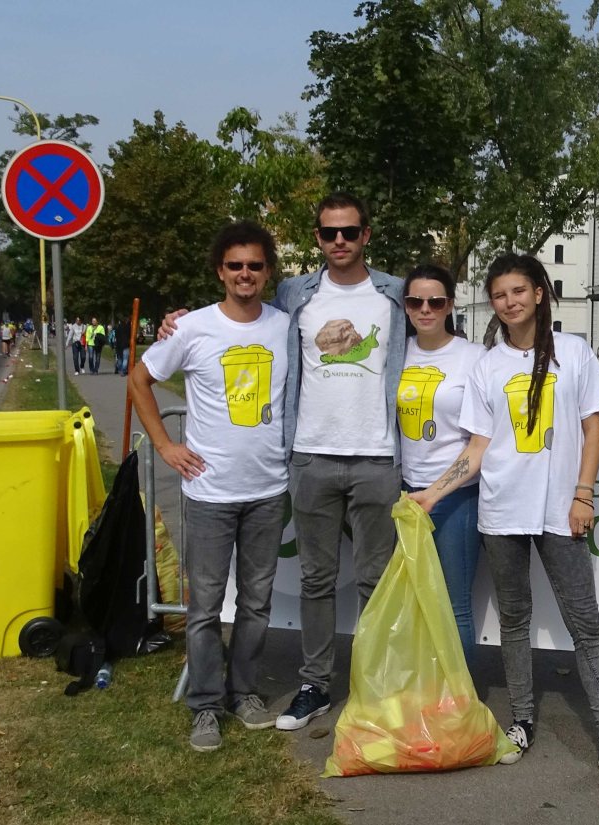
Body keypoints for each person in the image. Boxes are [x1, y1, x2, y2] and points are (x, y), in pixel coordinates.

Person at [409, 253, 599, 784]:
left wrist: (583, 496)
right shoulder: (487, 365)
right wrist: (433, 493)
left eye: (518, 291)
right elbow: (479, 446)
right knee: (514, 620)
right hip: (501, 511)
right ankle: (521, 722)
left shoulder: (573, 353)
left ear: (539, 293)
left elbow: (592, 431)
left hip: (560, 512)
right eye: (500, 294)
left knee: (585, 626)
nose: (509, 302)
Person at [160, 192, 406, 731]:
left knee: (374, 581)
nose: (338, 240)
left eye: (348, 231)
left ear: (366, 235)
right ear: (317, 239)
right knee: (316, 581)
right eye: (327, 232)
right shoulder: (297, 295)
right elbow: (233, 317)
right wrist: (173, 322)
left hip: (378, 458)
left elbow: (433, 333)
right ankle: (315, 685)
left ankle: (375, 687)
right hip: (311, 457)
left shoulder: (397, 295)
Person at [129, 221, 290, 752]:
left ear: (268, 271)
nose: (246, 274)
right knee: (203, 608)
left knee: (257, 602)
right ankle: (204, 705)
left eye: (255, 265)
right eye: (235, 265)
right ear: (220, 271)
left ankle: (243, 692)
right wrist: (164, 445)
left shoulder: (284, 328)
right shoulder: (193, 328)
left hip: (269, 490)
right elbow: (139, 380)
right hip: (209, 494)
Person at [398, 264, 484, 667]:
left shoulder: (473, 357)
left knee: (454, 603)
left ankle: (461, 700)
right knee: (411, 600)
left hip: (456, 498)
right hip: (403, 493)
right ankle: (421, 692)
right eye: (416, 301)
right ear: (406, 305)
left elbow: (480, 441)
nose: (425, 309)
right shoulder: (396, 352)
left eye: (436, 301)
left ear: (451, 304)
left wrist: (436, 493)